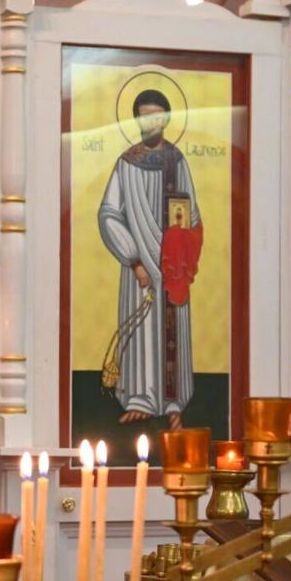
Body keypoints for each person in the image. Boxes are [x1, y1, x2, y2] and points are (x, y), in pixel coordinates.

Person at [98, 88, 201, 430]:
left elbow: (193, 216)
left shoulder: (178, 161)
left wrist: (183, 250)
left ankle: (173, 401)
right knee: (141, 328)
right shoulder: (126, 163)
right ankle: (141, 397)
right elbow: (109, 214)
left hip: (172, 268)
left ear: (166, 119)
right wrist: (134, 259)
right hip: (139, 267)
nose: (150, 122)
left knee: (172, 328)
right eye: (144, 115)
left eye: (156, 115)